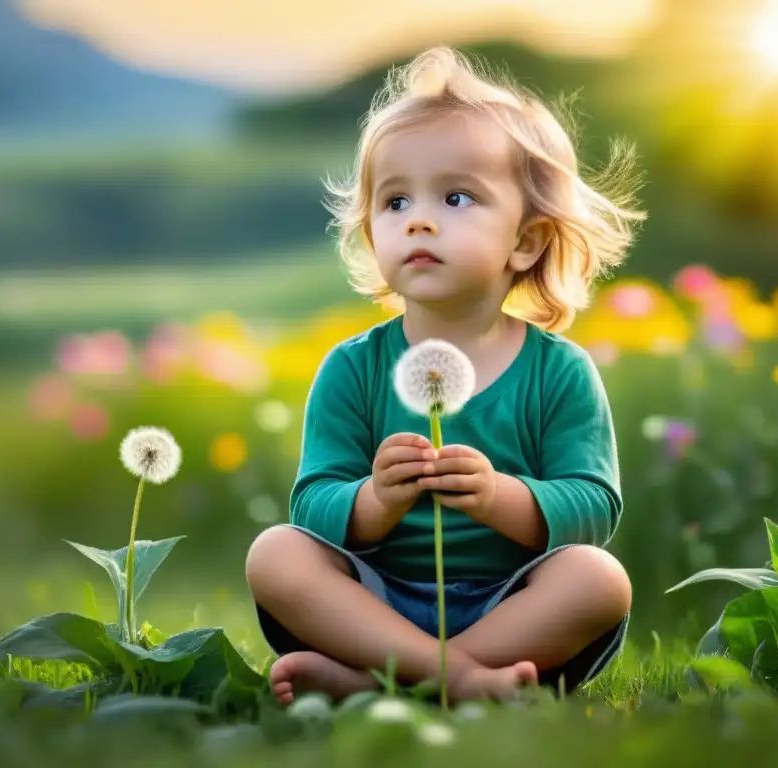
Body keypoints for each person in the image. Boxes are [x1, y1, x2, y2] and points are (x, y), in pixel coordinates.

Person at [245, 45, 643, 705]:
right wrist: (374, 502)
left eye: (456, 196)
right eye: (395, 201)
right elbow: (311, 504)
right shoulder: (352, 369)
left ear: (527, 240)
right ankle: (457, 682)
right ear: (373, 233)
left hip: (509, 608)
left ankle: (384, 683)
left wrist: (498, 498)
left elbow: (594, 509)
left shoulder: (559, 373)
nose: (419, 218)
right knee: (275, 553)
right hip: (374, 605)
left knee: (598, 578)